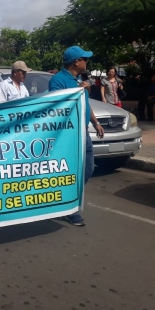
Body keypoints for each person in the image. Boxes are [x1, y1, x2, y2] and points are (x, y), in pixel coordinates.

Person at [48, 46, 105, 227]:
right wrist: (77, 91)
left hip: (84, 131)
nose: (86, 62)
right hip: (69, 134)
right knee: (71, 172)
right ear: (76, 62)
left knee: (88, 168)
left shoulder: (78, 79)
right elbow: (56, 105)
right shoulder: (58, 80)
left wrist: (95, 122)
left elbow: (85, 104)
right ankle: (69, 209)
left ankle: (65, 199)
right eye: (84, 59)